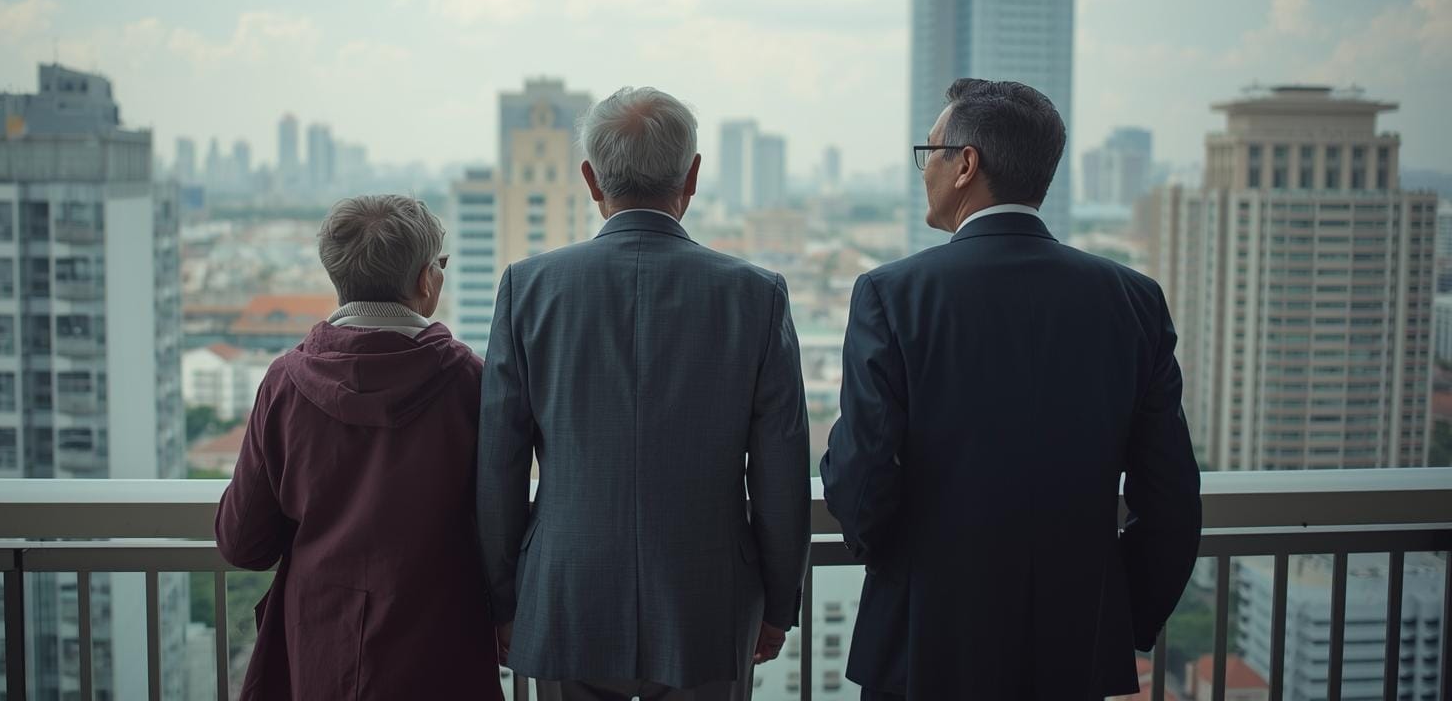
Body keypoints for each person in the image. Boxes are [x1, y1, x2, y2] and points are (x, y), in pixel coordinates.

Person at [821, 79, 1202, 700]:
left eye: (931, 153)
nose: (925, 172)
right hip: (1073, 653)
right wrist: (1115, 619)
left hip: (926, 643)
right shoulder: (1132, 300)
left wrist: (893, 559)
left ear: (966, 164)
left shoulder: (894, 295)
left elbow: (860, 479)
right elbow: (1174, 502)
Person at [478, 86, 811, 701]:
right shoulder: (756, 296)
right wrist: (780, 601)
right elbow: (781, 474)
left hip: (563, 594)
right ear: (692, 175)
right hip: (709, 601)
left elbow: (498, 467)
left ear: (590, 178)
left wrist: (502, 598)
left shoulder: (527, 288)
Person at [215, 194, 501, 700]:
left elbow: (244, 543)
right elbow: (498, 529)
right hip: (441, 649)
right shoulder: (470, 384)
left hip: (321, 649)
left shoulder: (286, 383)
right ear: (424, 281)